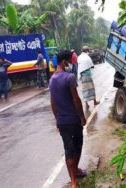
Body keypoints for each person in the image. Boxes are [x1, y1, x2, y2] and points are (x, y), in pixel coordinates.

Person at [49, 50, 87, 188]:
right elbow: (76, 100)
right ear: (64, 62)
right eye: (69, 61)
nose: (71, 64)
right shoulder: (70, 77)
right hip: (74, 120)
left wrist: (57, 120)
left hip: (62, 122)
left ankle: (73, 181)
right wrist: (82, 117)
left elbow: (53, 103)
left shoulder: (52, 80)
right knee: (77, 146)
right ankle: (75, 172)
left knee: (68, 149)